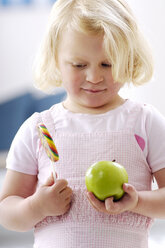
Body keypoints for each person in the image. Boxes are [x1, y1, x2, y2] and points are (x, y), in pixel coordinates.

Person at [0, 0, 165, 247]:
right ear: (56, 60)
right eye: (79, 65)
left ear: (128, 59)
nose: (94, 77)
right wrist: (37, 206)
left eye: (107, 64)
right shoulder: (40, 129)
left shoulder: (144, 122)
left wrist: (138, 201)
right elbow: (7, 211)